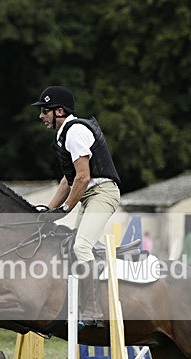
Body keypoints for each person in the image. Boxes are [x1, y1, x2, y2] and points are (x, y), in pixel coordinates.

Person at [31, 85, 121, 327]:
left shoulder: (75, 132)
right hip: (90, 196)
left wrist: (66, 208)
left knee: (81, 246)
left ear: (59, 111)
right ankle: (77, 302)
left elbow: (83, 177)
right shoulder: (64, 136)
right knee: (73, 246)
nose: (41, 116)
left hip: (102, 193)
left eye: (45, 111)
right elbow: (67, 180)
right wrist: (49, 211)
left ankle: (92, 309)